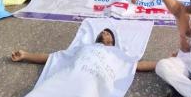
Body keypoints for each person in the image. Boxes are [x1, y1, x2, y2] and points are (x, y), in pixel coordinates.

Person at [11, 28, 156, 71]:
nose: (103, 33)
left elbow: (136, 66)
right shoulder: (85, 47)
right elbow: (55, 58)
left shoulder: (116, 53)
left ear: (112, 41)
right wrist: (26, 55)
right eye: (102, 33)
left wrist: (164, 63)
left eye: (107, 33)